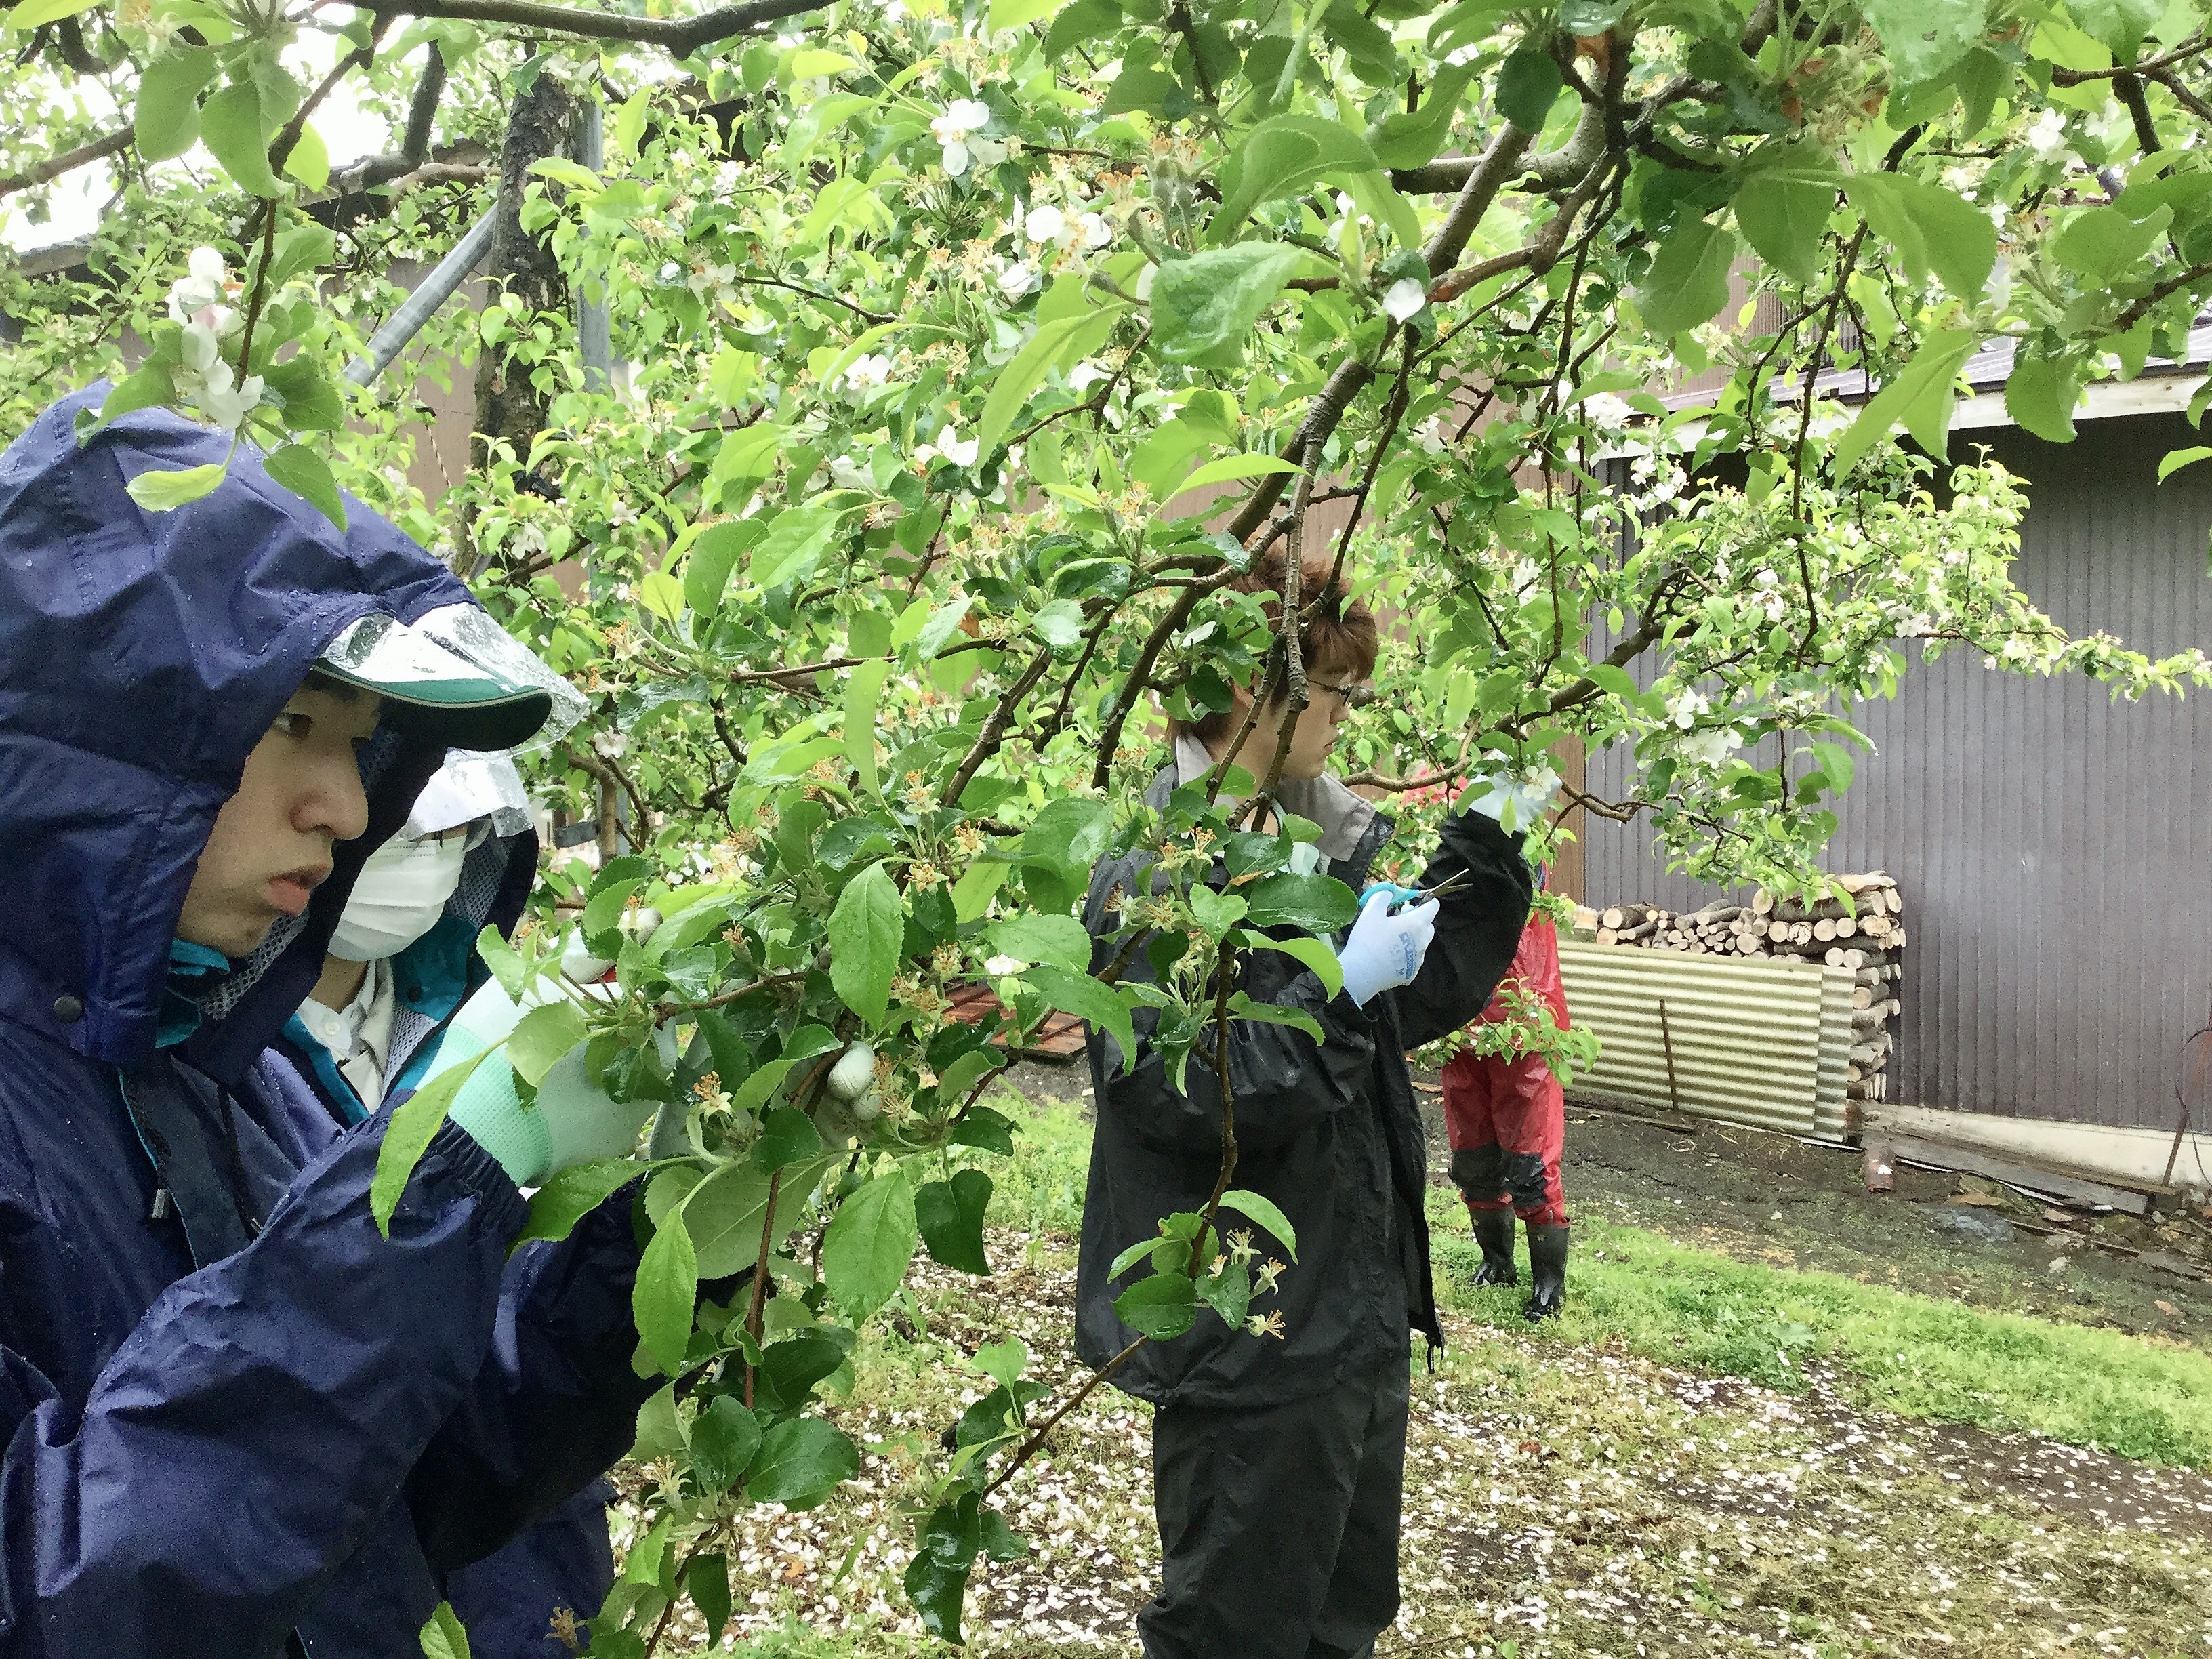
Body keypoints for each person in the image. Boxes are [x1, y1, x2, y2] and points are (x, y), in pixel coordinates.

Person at [0, 390, 657, 1657]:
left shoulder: (227, 1068)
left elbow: (408, 1470)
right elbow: (53, 1597)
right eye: (293, 723)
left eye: (363, 746)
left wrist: (664, 1240)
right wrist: (422, 1188)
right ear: (114, 721)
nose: (349, 808)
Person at [1073, 550, 1538, 1659]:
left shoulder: (1305, 837)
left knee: (1336, 1622)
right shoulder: (1154, 871)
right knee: (1234, 1630)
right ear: (1249, 690)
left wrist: (1486, 851)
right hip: (1251, 1340)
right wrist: (1336, 985)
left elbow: (1407, 989)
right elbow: (1179, 1084)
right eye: (1332, 692)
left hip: (1347, 1318)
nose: (1344, 716)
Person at [264, 750, 619, 1658]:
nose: (428, 853)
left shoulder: (496, 1022)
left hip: (533, 1571)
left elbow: (519, 1379)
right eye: (407, 824)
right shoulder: (219, 1069)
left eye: (457, 831)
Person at [1439, 886, 1573, 1319]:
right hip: (1461, 1018)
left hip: (1524, 1021)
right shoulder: (1428, 828)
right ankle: (1497, 1262)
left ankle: (1548, 1285)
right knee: (1472, 1154)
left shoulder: (1517, 833)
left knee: (1529, 1160)